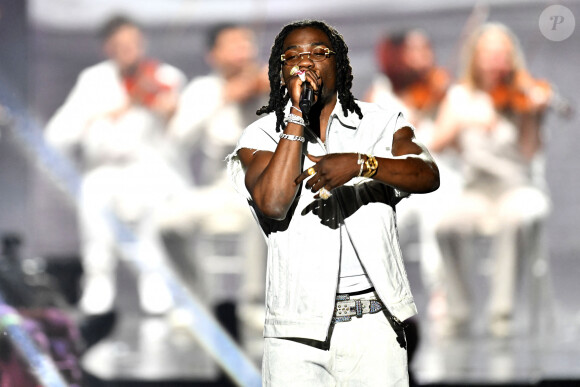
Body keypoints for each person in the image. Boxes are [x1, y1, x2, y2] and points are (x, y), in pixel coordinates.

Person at [226, 20, 439, 385]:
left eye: (318, 53)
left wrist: (363, 163)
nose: (305, 62)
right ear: (280, 74)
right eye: (292, 56)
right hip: (296, 333)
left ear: (339, 64)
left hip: (374, 327)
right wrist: (295, 116)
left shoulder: (380, 123)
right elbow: (273, 203)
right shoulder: (259, 137)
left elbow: (426, 173)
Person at [45, 16, 187, 319]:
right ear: (108, 47)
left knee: (150, 233)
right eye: (120, 45)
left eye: (133, 44)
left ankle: (156, 291)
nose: (128, 50)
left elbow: (180, 134)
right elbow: (59, 132)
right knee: (97, 235)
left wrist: (168, 112)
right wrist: (104, 113)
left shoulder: (164, 76)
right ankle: (98, 292)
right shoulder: (93, 80)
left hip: (145, 168)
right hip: (102, 168)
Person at [431, 23, 551, 338]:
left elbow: (529, 153)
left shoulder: (522, 97)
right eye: (489, 54)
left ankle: (502, 313)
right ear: (475, 58)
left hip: (517, 186)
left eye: (503, 54)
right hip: (477, 189)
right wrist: (463, 121)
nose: (496, 61)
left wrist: (533, 116)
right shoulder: (460, 96)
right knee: (447, 226)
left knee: (515, 219)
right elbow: (434, 145)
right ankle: (460, 310)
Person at [366, 30, 460, 321]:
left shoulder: (444, 90)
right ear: (396, 55)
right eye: (413, 50)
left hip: (438, 173)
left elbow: (447, 142)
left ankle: (440, 292)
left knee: (436, 213)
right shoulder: (380, 92)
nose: (423, 56)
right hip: (398, 176)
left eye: (425, 48)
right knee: (381, 215)